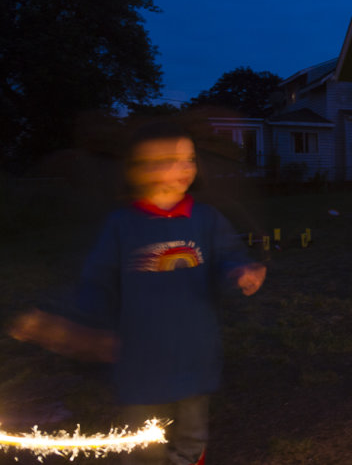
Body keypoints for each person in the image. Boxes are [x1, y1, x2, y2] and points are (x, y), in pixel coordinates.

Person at [11, 121, 266, 465]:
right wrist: (80, 325)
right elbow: (97, 281)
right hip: (140, 357)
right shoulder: (123, 225)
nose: (182, 168)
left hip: (195, 351)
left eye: (188, 159)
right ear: (138, 170)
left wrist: (239, 272)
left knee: (191, 435)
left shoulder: (206, 219)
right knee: (142, 443)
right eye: (167, 160)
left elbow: (227, 257)